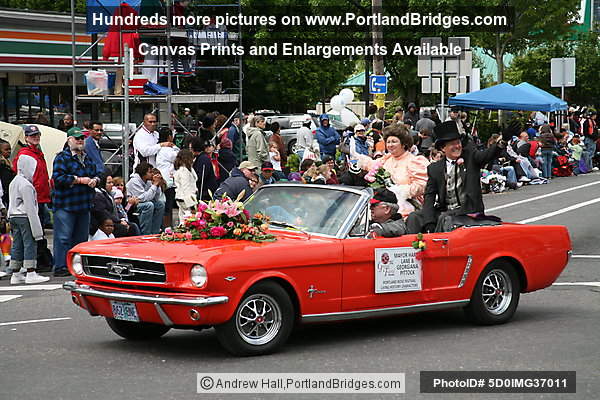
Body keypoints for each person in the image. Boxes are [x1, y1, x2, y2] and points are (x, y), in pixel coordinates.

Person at [406, 120, 509, 234]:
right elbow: (429, 196)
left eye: (458, 142)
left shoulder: (471, 157)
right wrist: (428, 221)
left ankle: (438, 248)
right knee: (414, 217)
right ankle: (412, 248)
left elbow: (488, 154)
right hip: (445, 211)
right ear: (443, 148)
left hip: (468, 212)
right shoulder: (434, 168)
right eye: (452, 144)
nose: (457, 146)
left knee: (445, 219)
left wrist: (502, 142)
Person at [352, 123, 429, 218]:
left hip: (407, 210)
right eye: (388, 142)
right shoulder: (386, 159)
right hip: (382, 209)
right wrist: (357, 157)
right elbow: (371, 165)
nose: (390, 145)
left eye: (394, 142)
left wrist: (401, 191)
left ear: (403, 143)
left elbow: (422, 185)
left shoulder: (414, 161)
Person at [52, 128, 100, 277]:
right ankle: (60, 266)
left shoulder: (87, 158)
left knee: (81, 239)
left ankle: (77, 266)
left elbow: (98, 173)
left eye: (82, 138)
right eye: (77, 138)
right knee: (63, 237)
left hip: (84, 204)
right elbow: (58, 179)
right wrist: (78, 180)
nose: (80, 140)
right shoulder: (62, 157)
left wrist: (95, 180)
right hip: (65, 204)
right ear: (69, 140)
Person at [7, 155, 49, 284]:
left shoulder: (14, 181)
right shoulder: (27, 185)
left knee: (17, 244)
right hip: (25, 216)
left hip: (13, 216)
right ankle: (31, 272)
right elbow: (31, 208)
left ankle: (16, 272)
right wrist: (37, 230)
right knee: (30, 243)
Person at [12, 125, 51, 229]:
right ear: (26, 137)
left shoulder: (38, 153)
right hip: (32, 198)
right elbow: (19, 174)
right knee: (35, 229)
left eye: (37, 135)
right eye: (32, 135)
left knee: (40, 228)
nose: (36, 137)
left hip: (41, 197)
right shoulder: (24, 154)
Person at [126, 162, 165, 235]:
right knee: (149, 205)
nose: (152, 174)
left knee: (160, 204)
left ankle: (155, 232)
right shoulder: (134, 181)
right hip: (131, 205)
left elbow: (156, 198)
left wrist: (157, 185)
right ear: (144, 173)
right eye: (150, 172)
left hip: (142, 202)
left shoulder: (148, 181)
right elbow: (144, 198)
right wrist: (154, 185)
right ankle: (145, 233)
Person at [155, 127, 179, 228]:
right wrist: (175, 147)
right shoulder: (167, 150)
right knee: (167, 206)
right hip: (167, 181)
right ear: (169, 137)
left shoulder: (160, 148)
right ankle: (166, 228)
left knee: (166, 205)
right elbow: (178, 156)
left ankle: (165, 227)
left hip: (164, 179)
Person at [173, 149, 198, 224]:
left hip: (181, 197)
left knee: (182, 218)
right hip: (186, 199)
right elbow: (186, 187)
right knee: (188, 220)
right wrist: (192, 204)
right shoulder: (184, 171)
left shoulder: (183, 169)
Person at [190, 137, 217, 201]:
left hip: (205, 191)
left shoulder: (203, 159)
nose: (190, 150)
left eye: (191, 148)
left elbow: (201, 176)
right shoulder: (200, 158)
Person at [0, 140, 15, 208]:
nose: (9, 151)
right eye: (6, 150)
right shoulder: (1, 164)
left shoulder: (8, 162)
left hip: (10, 193)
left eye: (10, 149)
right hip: (4, 194)